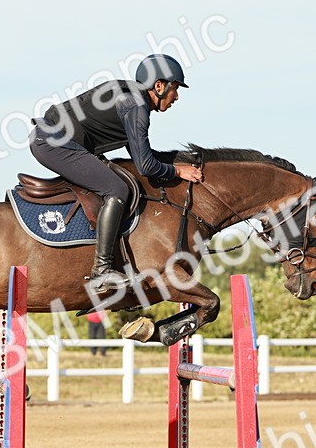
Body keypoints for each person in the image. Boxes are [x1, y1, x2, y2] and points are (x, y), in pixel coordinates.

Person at [29, 54, 204, 293]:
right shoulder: (136, 106)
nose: (177, 96)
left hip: (53, 139)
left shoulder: (132, 99)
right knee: (117, 189)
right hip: (53, 143)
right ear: (159, 86)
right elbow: (146, 167)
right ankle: (101, 271)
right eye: (175, 88)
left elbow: (141, 156)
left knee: (118, 180)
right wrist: (177, 170)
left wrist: (178, 162)